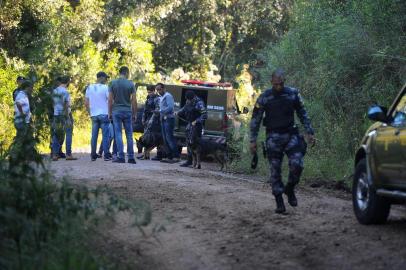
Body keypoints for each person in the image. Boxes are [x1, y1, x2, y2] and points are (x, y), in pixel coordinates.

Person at [249, 69, 315, 214]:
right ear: (272, 81)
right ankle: (279, 201)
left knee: (297, 164)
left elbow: (303, 113)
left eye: (281, 83)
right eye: (276, 83)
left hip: (291, 134)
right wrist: (252, 140)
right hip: (273, 136)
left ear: (284, 81)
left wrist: (310, 132)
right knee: (275, 171)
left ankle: (290, 189)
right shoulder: (265, 97)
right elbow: (256, 119)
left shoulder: (292, 94)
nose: (279, 86)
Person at [108, 66, 137, 164]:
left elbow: (110, 100)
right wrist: (135, 113)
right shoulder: (130, 84)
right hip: (127, 111)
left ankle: (121, 156)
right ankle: (131, 157)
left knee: (118, 134)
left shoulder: (113, 83)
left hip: (116, 111)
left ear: (119, 72)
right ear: (127, 73)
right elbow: (134, 101)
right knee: (129, 134)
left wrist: (109, 113)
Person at [85, 71, 111, 161]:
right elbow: (110, 101)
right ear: (101, 77)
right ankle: (106, 155)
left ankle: (93, 155)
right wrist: (110, 112)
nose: (107, 80)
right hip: (104, 114)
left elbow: (86, 103)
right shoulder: (105, 88)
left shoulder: (89, 88)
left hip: (94, 115)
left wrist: (90, 113)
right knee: (105, 135)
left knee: (94, 135)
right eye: (106, 78)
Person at [177, 91, 207, 167]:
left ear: (193, 98)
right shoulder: (188, 101)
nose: (188, 101)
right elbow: (184, 109)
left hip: (197, 126)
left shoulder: (199, 103)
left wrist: (196, 121)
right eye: (187, 100)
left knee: (196, 144)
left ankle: (198, 163)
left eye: (189, 100)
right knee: (188, 143)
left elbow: (205, 115)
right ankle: (189, 161)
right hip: (189, 125)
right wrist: (178, 112)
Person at [51, 75, 77, 161]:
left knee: (56, 134)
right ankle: (68, 154)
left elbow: (52, 103)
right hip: (64, 115)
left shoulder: (54, 91)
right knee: (68, 133)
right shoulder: (65, 92)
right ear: (68, 82)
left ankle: (55, 155)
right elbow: (66, 104)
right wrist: (67, 116)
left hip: (56, 114)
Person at [156, 83, 180, 163]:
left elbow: (170, 108)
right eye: (157, 90)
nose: (158, 91)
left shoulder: (168, 96)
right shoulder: (161, 97)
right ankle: (169, 157)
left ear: (164, 88)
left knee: (169, 138)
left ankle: (176, 156)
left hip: (169, 119)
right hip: (163, 119)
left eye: (159, 89)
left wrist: (160, 111)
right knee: (165, 139)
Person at [137, 85, 160, 159]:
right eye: (148, 92)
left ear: (154, 91)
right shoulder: (148, 98)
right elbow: (145, 109)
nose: (149, 93)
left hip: (154, 121)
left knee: (152, 139)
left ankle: (147, 154)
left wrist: (151, 120)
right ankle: (145, 155)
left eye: (150, 92)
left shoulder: (157, 99)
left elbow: (157, 111)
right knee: (145, 139)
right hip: (147, 120)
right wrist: (143, 118)